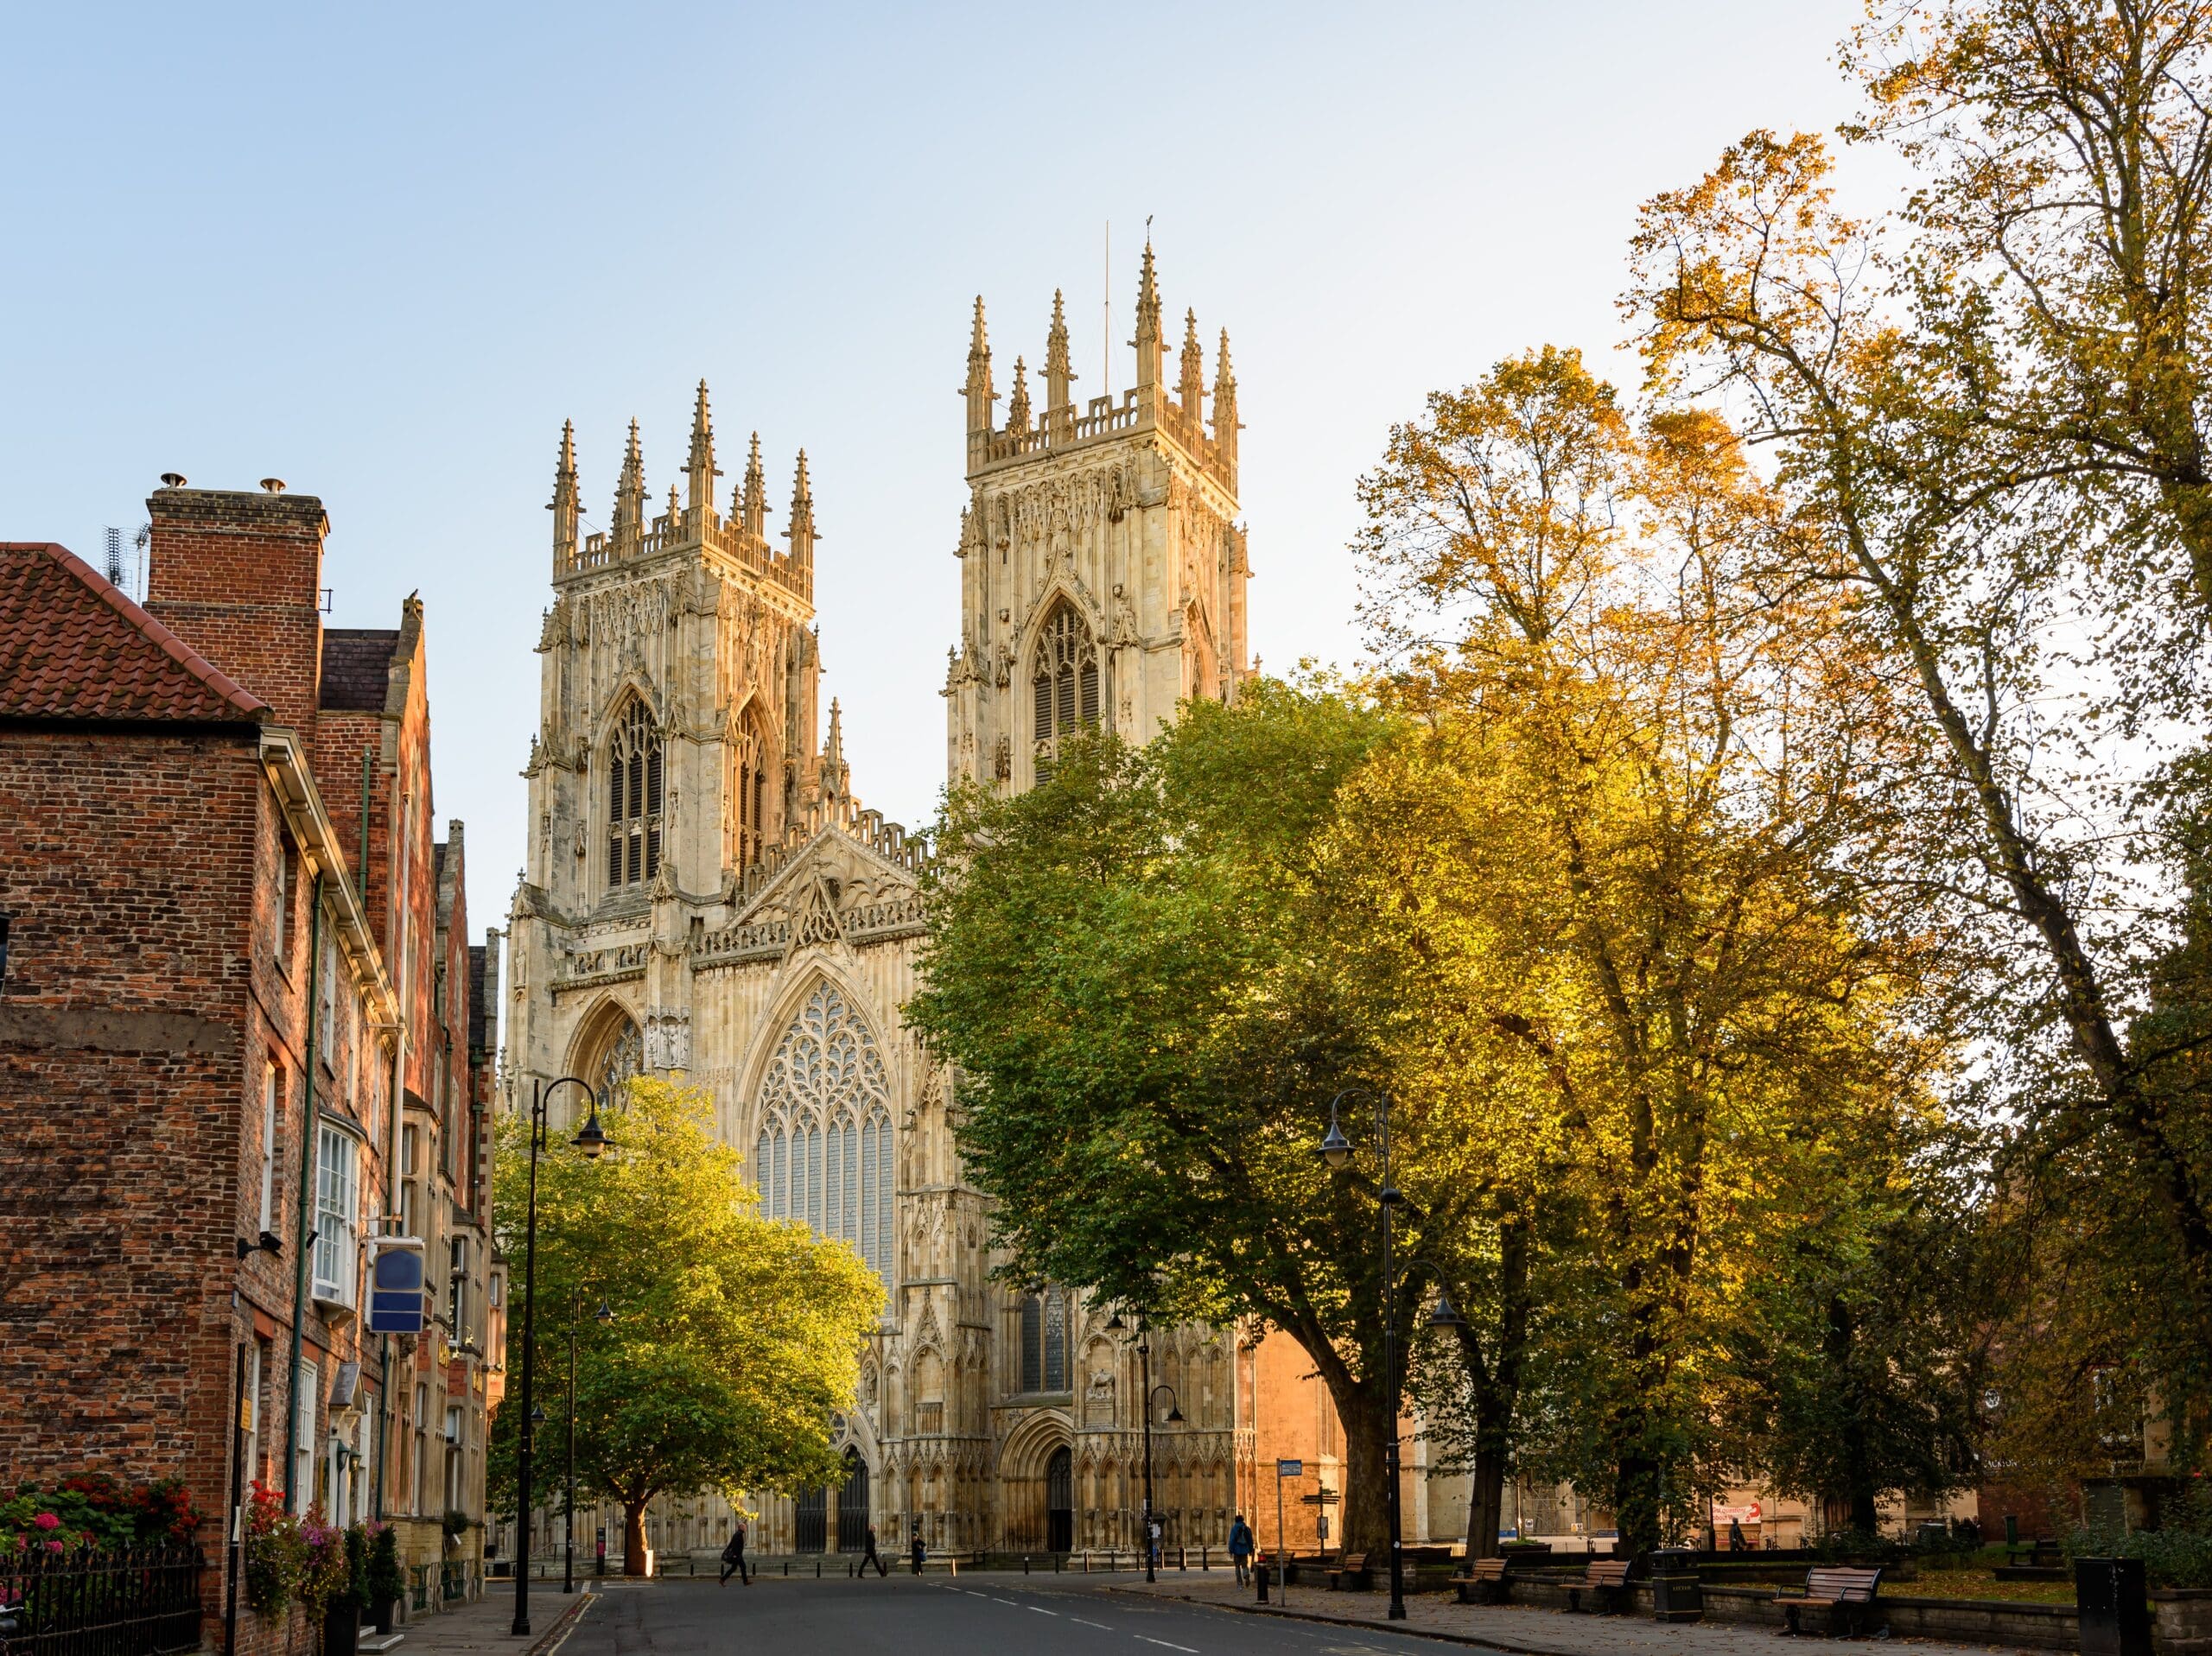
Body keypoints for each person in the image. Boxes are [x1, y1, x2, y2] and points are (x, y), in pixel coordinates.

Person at [720, 1516, 751, 1586]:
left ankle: (722, 1579)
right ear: (741, 1528)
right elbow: (734, 1545)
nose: (745, 1528)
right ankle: (745, 1581)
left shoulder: (738, 1534)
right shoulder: (738, 1535)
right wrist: (735, 1554)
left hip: (737, 1555)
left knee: (734, 1568)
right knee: (742, 1567)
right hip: (737, 1555)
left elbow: (731, 1544)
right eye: (744, 1527)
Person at [1228, 1514, 1255, 1585]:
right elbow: (1250, 1540)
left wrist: (1231, 1550)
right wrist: (1250, 1550)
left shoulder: (1234, 1529)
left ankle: (1239, 1581)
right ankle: (1246, 1576)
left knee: (1237, 1566)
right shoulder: (1246, 1528)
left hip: (1236, 1551)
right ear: (1243, 1520)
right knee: (1244, 1565)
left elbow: (1232, 1541)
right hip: (1244, 1550)